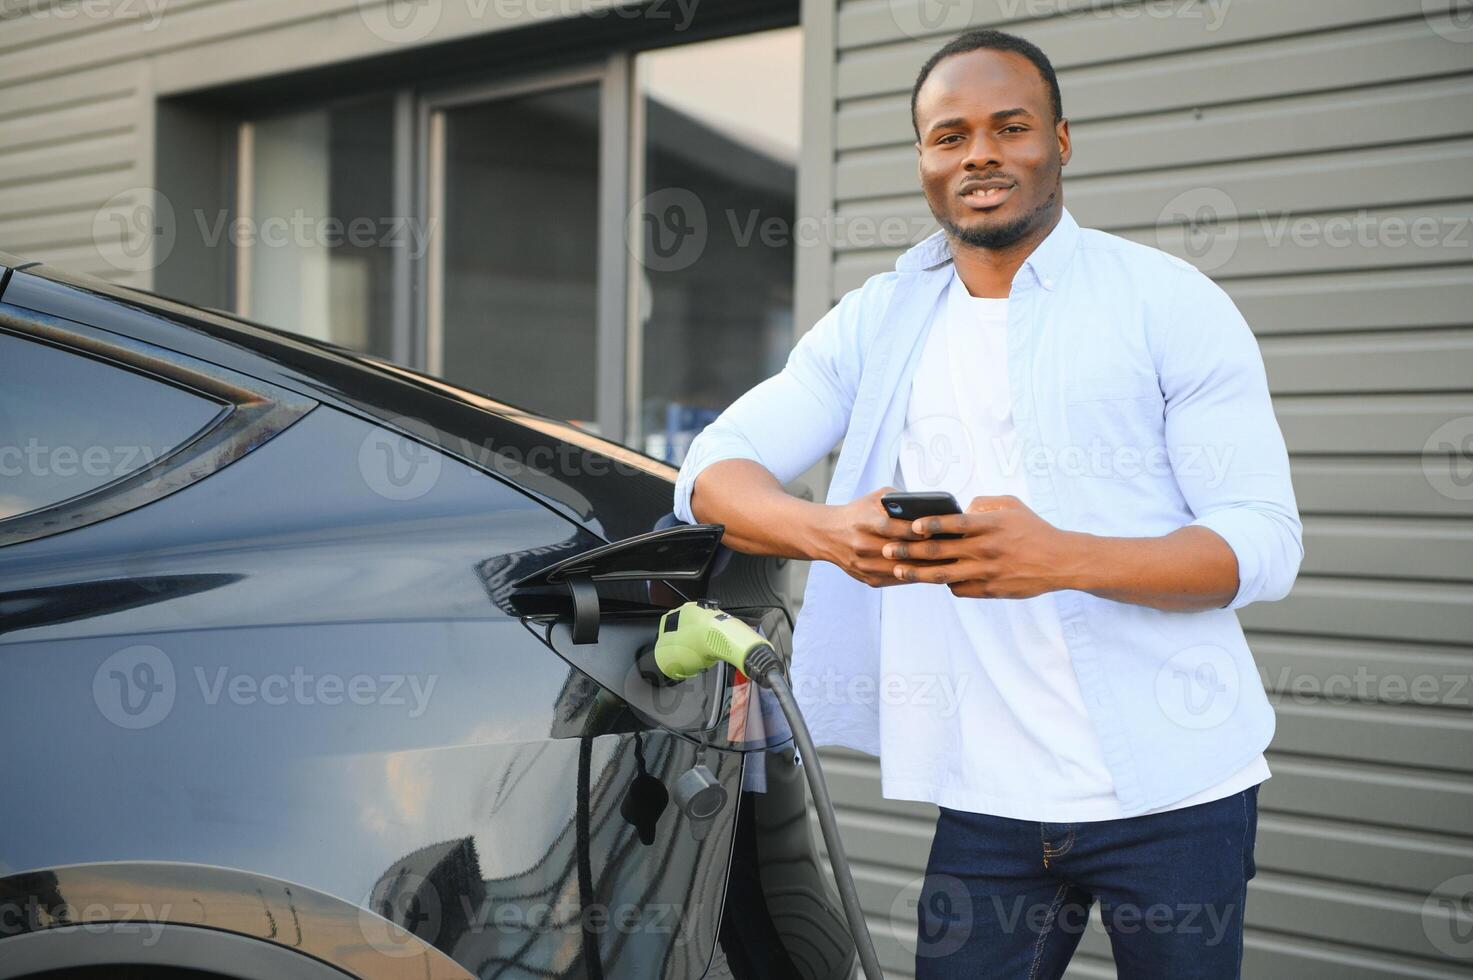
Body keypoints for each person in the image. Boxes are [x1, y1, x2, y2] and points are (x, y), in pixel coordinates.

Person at [671, 27, 1302, 980]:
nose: (979, 155)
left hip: (1177, 792)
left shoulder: (1167, 301)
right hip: (989, 805)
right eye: (948, 134)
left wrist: (1062, 557)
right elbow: (712, 470)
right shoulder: (879, 319)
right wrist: (829, 533)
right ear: (922, 157)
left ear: (1059, 140)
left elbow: (1261, 543)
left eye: (1009, 128)